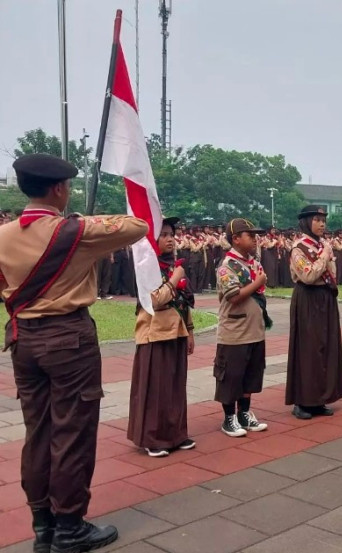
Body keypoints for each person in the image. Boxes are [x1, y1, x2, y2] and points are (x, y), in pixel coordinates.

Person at [0, 153, 148, 553]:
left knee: (39, 432)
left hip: (23, 339)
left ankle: (42, 524)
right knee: (72, 433)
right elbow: (138, 226)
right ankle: (69, 527)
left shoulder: (3, 234)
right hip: (68, 339)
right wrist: (81, 220)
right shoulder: (76, 231)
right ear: (60, 189)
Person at [127, 217, 196, 457]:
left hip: (176, 331)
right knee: (156, 388)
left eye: (171, 234)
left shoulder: (172, 265)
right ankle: (152, 438)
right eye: (164, 234)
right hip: (154, 334)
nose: (170, 239)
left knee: (175, 387)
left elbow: (184, 303)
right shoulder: (147, 266)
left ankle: (176, 434)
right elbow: (153, 301)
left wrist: (190, 331)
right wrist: (175, 279)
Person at [286, 205, 342, 419]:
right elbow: (308, 276)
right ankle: (303, 401)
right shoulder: (299, 248)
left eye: (324, 220)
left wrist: (325, 256)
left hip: (326, 296)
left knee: (326, 348)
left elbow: (333, 273)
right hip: (308, 298)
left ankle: (320, 398)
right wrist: (325, 257)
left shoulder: (323, 245)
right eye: (317, 220)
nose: (322, 224)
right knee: (308, 350)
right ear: (305, 222)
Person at [214, 218, 270, 437]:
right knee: (231, 376)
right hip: (235, 332)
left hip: (254, 329)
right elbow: (234, 296)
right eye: (250, 235)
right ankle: (229, 418)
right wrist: (257, 283)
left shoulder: (253, 262)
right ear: (235, 239)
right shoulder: (227, 265)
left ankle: (244, 413)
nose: (255, 239)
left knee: (251, 375)